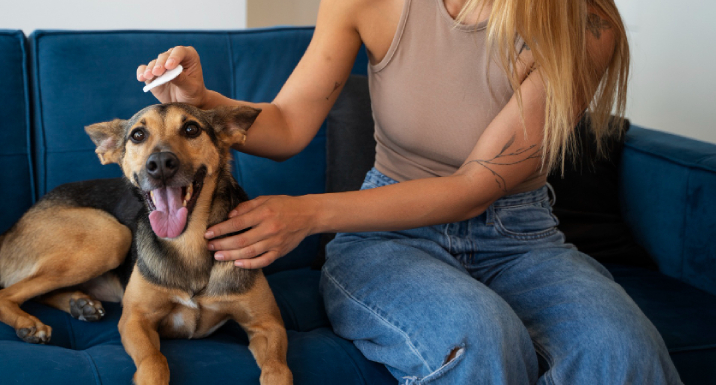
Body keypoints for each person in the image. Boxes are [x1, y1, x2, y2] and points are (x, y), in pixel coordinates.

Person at [136, 0, 681, 383]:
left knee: (624, 351)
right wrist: (201, 99)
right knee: (480, 336)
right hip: (387, 238)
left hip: (521, 238)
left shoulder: (583, 21)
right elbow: (288, 124)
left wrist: (306, 214)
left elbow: (474, 186)